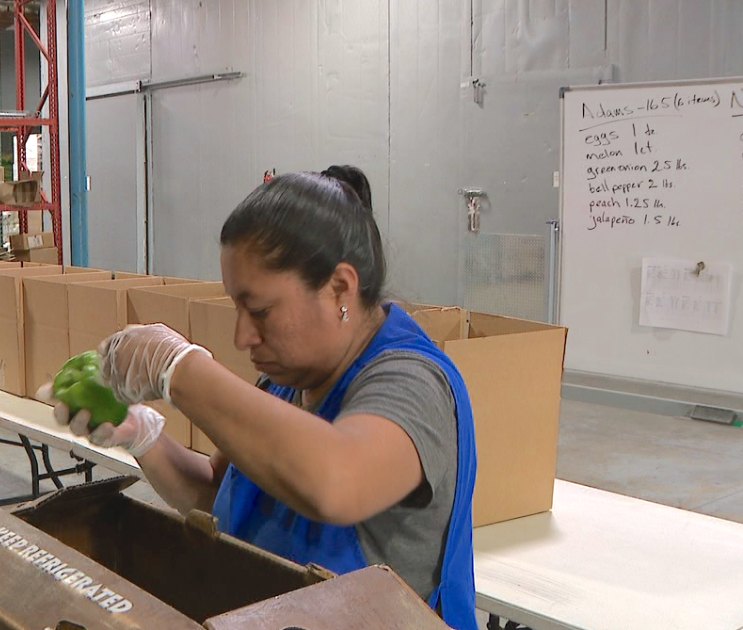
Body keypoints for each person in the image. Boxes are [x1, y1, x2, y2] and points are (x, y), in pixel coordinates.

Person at [46, 167, 478, 629]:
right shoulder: (290, 381)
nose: (242, 336)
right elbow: (223, 496)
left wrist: (180, 370)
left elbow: (337, 482)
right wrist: (146, 439)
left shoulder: (412, 382)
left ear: (340, 290)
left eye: (260, 311)